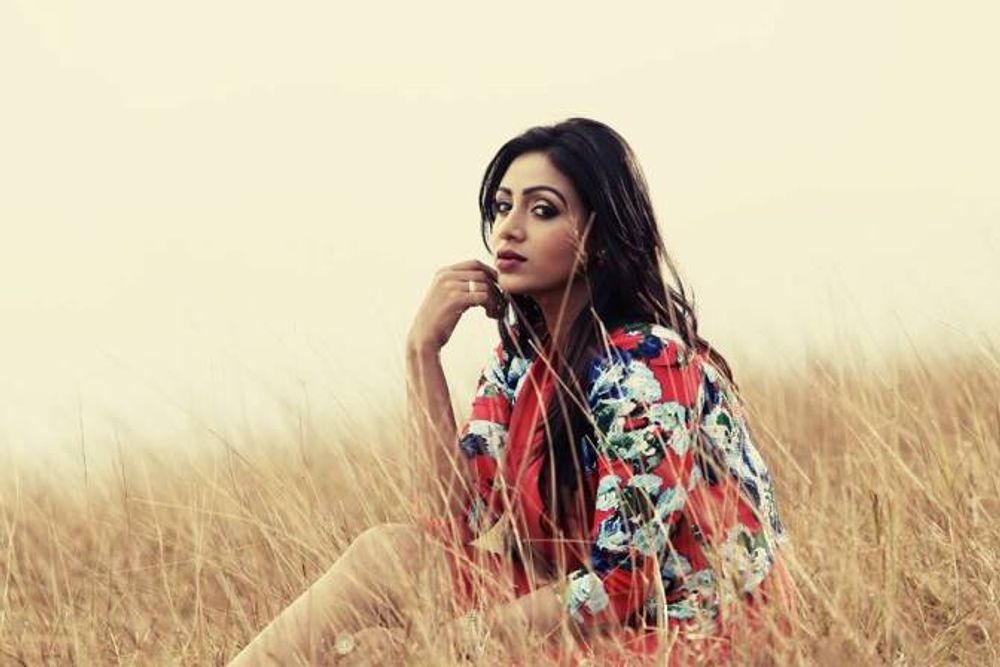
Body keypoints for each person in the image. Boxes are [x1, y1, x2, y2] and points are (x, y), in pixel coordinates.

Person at [228, 117, 797, 665]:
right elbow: (452, 516)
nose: (509, 228)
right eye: (503, 207)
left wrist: (458, 641)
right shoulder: (521, 363)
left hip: (689, 634)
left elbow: (622, 582)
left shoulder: (647, 363)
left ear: (599, 239)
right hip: (592, 619)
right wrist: (422, 354)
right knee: (389, 555)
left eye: (542, 210)